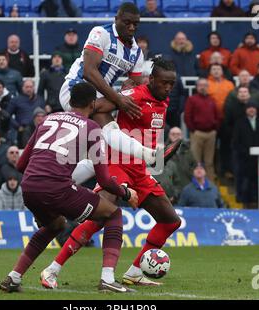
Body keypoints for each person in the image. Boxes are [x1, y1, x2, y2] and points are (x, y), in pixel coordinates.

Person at [40, 58, 182, 289]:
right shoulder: (135, 95)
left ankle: (134, 272)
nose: (168, 88)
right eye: (164, 83)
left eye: (172, 84)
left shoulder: (163, 101)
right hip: (117, 164)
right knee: (101, 216)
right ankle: (52, 270)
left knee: (170, 221)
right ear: (152, 79)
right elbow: (96, 108)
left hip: (140, 170)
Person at [0, 82, 139, 293]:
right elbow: (104, 178)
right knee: (113, 213)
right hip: (56, 188)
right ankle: (108, 279)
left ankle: (13, 277)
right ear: (93, 104)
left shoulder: (48, 119)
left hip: (28, 186)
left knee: (55, 225)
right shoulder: (91, 128)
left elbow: (20, 165)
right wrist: (126, 193)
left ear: (71, 101)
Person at [58, 3, 179, 175]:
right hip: (75, 90)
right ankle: (149, 155)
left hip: (100, 96)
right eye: (127, 22)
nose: (131, 27)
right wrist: (118, 98)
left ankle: (64, 183)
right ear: (116, 19)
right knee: (107, 131)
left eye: (135, 24)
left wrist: (125, 93)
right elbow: (89, 71)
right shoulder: (101, 33)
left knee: (102, 156)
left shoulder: (136, 52)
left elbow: (134, 85)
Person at [232, 102, 259, 206]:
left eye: (253, 108)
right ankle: (244, 201)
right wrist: (245, 151)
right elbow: (236, 141)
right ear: (246, 110)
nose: (251, 110)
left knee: (257, 181)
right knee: (244, 181)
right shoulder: (240, 122)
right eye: (249, 108)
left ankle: (256, 200)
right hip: (244, 159)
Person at [185, 78, 219, 182]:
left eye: (205, 85)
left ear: (208, 87)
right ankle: (196, 184)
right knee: (196, 161)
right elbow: (187, 116)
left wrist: (215, 129)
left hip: (211, 134)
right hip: (197, 133)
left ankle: (210, 185)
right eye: (201, 85)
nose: (203, 87)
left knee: (209, 162)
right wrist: (193, 130)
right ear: (197, 87)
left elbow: (218, 115)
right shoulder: (192, 99)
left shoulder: (212, 100)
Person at [153, 127, 194, 204]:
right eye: (173, 134)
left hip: (183, 187)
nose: (175, 136)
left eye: (178, 134)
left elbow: (194, 167)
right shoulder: (149, 165)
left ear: (182, 136)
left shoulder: (188, 150)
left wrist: (174, 195)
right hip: (157, 197)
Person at [7, 79, 45, 148]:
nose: (29, 89)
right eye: (27, 87)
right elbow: (7, 115)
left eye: (30, 87)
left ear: (34, 88)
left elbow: (44, 115)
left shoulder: (40, 100)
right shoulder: (16, 100)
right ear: (22, 88)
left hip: (38, 130)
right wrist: (17, 126)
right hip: (22, 131)